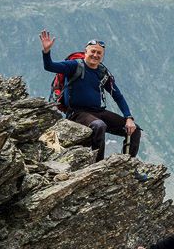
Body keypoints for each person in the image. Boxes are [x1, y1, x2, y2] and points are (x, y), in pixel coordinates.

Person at [39, 30, 142, 160]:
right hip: (77, 113)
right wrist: (46, 52)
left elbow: (118, 96)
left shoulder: (102, 73)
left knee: (135, 130)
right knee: (99, 126)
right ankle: (98, 166)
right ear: (85, 52)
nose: (95, 55)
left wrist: (128, 117)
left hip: (97, 112)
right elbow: (49, 66)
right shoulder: (74, 66)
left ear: (102, 56)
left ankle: (128, 164)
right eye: (92, 51)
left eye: (99, 53)